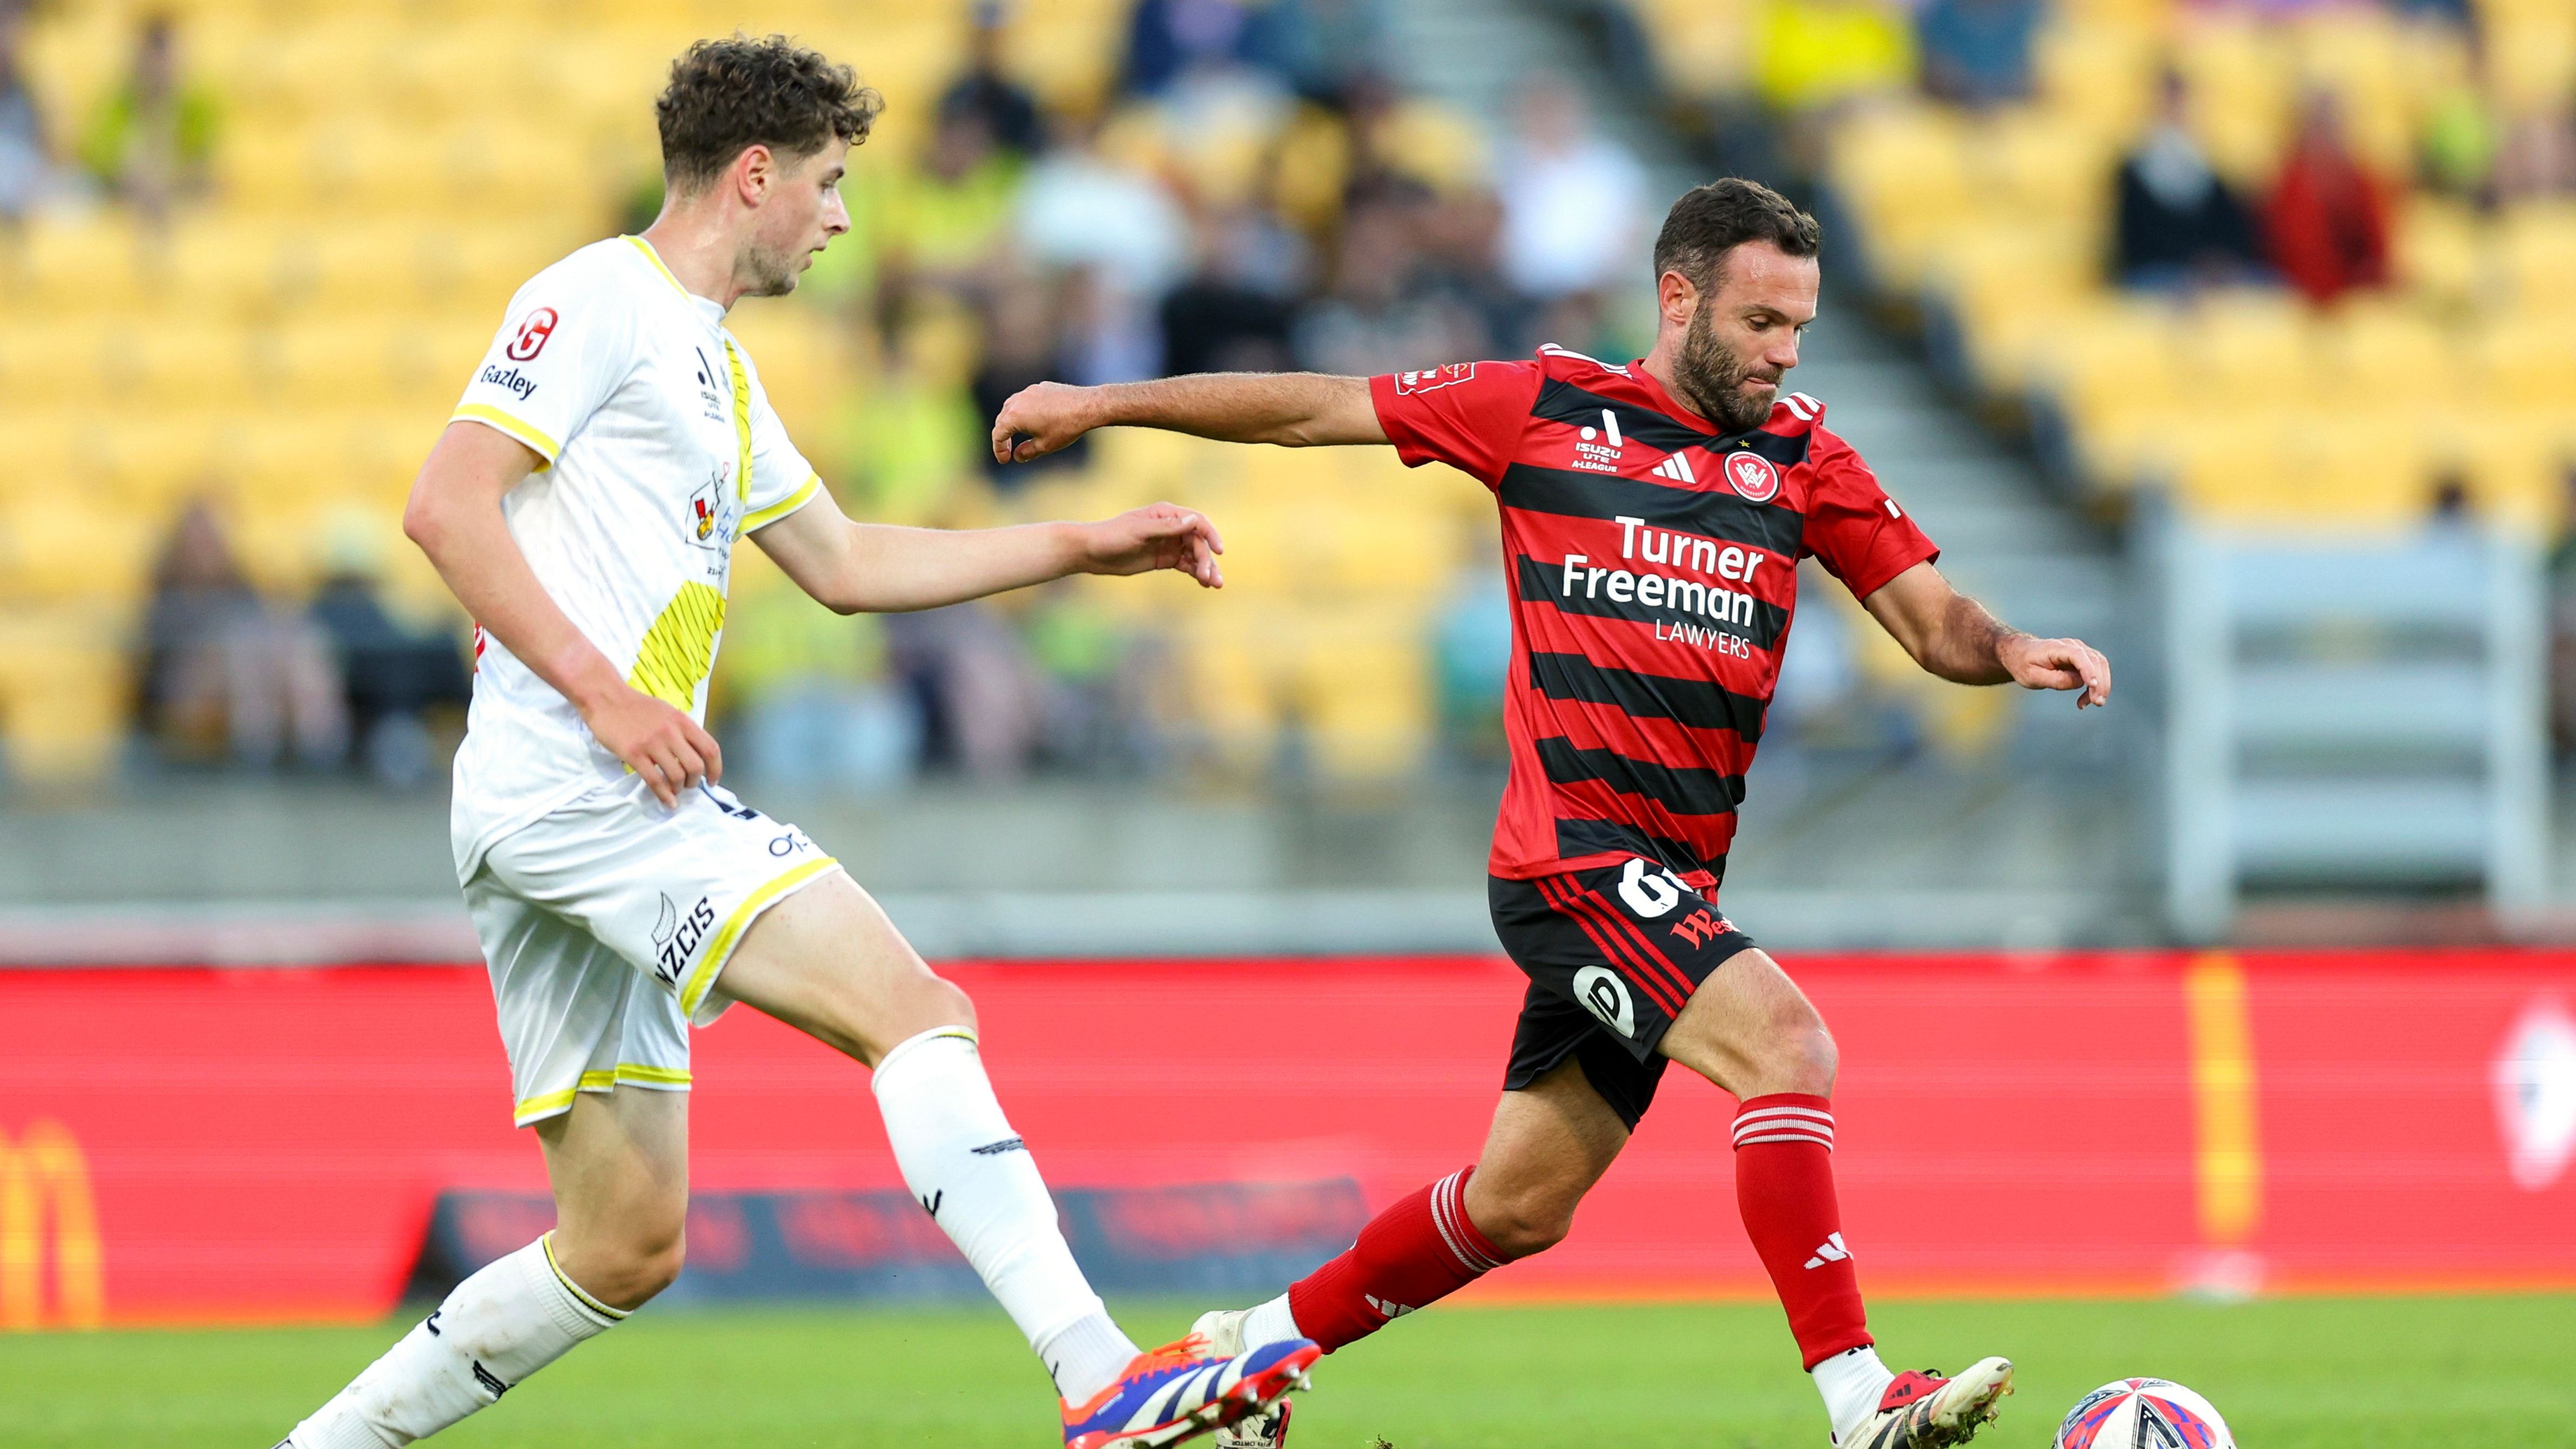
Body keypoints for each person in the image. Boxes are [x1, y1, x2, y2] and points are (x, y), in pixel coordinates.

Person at [273, 36, 1316, 1449]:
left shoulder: (716, 369)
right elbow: (445, 505)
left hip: (552, 804)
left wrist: (1082, 544)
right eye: (827, 184)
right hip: (586, 784)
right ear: (752, 175)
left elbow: (844, 559)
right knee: (920, 1011)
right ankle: (1097, 1378)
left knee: (622, 1245)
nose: (838, 217)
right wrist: (607, 694)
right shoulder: (595, 298)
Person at [993, 177, 2114, 1449]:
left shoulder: (1808, 459)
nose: (1784, 351)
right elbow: (1313, 409)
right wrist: (1099, 402)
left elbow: (1929, 619)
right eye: (1759, 321)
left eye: (1798, 324)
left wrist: (2010, 647)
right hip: (1572, 862)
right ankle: (1860, 1398)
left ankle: (1232, 1353)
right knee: (1787, 1050)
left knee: (1520, 1204)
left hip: (1668, 890)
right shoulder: (1542, 408)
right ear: (1676, 297)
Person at [2111, 70, 2263, 290]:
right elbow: (2135, 240)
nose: (2175, 109)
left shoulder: (2208, 161)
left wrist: (2217, 261)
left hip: (2207, 273)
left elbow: (2231, 228)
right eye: (2167, 101)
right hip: (2156, 272)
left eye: (2180, 101)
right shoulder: (2133, 167)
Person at [2265, 91, 2389, 306]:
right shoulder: (2294, 184)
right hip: (2314, 298)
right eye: (2321, 123)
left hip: (2356, 295)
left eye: (2335, 121)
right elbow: (2300, 256)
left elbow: (2379, 244)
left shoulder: (2359, 178)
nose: (2330, 130)